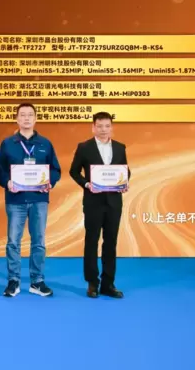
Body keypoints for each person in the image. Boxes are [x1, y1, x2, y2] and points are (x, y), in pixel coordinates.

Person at [0, 103, 61, 298]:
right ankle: (13, 280)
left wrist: (50, 182)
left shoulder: (45, 143)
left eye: (30, 115)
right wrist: (7, 182)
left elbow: (55, 169)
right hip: (15, 200)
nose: (26, 118)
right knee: (13, 242)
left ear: (35, 118)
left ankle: (37, 281)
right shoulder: (8, 143)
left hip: (39, 199)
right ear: (17, 119)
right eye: (22, 115)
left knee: (38, 241)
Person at [69, 112, 129, 299]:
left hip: (114, 202)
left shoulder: (120, 147)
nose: (104, 130)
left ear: (111, 127)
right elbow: (73, 172)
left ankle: (108, 284)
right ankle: (92, 283)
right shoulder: (84, 147)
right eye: (100, 126)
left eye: (107, 126)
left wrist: (124, 182)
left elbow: (125, 170)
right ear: (93, 127)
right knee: (91, 241)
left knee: (111, 242)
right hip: (93, 202)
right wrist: (87, 184)